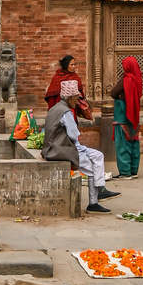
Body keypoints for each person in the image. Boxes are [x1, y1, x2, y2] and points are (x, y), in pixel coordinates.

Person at [41, 80, 121, 213]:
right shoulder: (65, 112)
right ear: (71, 97)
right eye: (76, 98)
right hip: (60, 148)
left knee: (98, 155)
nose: (77, 101)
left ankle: (101, 189)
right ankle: (93, 202)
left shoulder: (55, 108)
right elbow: (73, 134)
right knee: (91, 169)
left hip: (58, 146)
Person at [111, 56, 142, 179]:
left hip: (122, 114)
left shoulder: (126, 79)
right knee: (133, 142)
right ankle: (133, 170)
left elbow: (113, 93)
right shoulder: (138, 79)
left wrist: (119, 95)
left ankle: (125, 172)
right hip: (134, 115)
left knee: (122, 143)